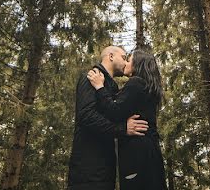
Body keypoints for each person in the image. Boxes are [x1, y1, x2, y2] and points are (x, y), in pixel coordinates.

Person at [67, 46, 148, 190]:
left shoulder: (111, 86)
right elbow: (86, 116)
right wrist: (122, 128)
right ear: (111, 56)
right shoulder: (92, 76)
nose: (125, 62)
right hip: (87, 169)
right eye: (123, 57)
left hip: (106, 169)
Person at [86, 48, 167, 190]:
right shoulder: (147, 87)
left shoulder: (136, 83)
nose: (125, 63)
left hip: (137, 153)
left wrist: (99, 87)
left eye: (128, 60)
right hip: (150, 152)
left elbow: (115, 111)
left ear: (137, 64)